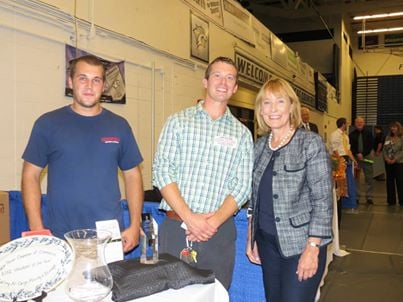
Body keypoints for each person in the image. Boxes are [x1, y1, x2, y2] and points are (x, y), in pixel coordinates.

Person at [21, 55, 144, 252]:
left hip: (109, 236)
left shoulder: (119, 126)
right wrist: (37, 228)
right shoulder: (48, 124)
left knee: (109, 283)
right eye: (82, 78)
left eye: (96, 80)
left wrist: (134, 224)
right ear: (70, 82)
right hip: (61, 236)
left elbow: (133, 175)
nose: (89, 86)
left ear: (104, 86)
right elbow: (30, 175)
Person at [153, 56, 253, 289]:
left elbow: (242, 186)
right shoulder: (178, 122)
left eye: (230, 78)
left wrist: (212, 223)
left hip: (219, 234)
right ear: (205, 82)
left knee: (214, 295)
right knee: (171, 296)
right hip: (177, 229)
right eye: (217, 75)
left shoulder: (242, 135)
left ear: (235, 88)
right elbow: (162, 171)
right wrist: (190, 218)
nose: (223, 82)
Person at [246, 78, 333, 302]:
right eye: (266, 103)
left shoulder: (309, 144)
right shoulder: (258, 147)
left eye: (280, 101)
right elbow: (254, 200)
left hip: (301, 246)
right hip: (267, 244)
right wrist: (251, 238)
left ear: (291, 106)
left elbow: (323, 200)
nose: (273, 109)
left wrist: (313, 248)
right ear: (260, 110)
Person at [328, 117, 357, 209]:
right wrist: (339, 161)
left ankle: (347, 203)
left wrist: (354, 160)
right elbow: (334, 149)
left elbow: (348, 150)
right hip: (338, 159)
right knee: (340, 182)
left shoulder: (345, 136)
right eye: (346, 123)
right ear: (343, 124)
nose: (347, 125)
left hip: (346, 158)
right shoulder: (335, 135)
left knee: (348, 182)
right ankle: (339, 202)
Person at [349, 117, 374, 205]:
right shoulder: (351, 134)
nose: (359, 123)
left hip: (367, 158)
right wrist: (357, 154)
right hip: (356, 159)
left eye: (361, 122)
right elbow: (351, 147)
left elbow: (371, 145)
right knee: (356, 179)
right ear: (355, 124)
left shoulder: (369, 133)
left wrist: (362, 154)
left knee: (369, 178)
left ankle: (369, 197)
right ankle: (356, 197)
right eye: (357, 122)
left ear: (364, 123)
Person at [383, 121, 403, 206]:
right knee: (389, 181)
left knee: (400, 181)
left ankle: (402, 200)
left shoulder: (401, 137)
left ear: (398, 128)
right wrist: (386, 158)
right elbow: (384, 149)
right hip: (388, 162)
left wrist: (395, 159)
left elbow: (402, 151)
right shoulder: (387, 137)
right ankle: (391, 200)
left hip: (399, 162)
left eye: (394, 127)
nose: (392, 128)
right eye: (391, 127)